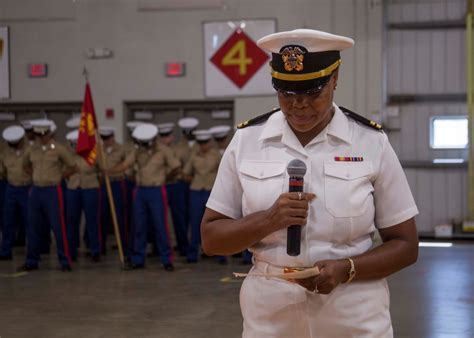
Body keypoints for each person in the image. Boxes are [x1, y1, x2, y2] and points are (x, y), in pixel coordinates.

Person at [201, 29, 419, 337]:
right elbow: (211, 239)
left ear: (334, 79)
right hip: (271, 316)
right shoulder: (248, 141)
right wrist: (268, 220)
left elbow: (406, 245)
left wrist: (348, 269)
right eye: (286, 94)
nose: (298, 106)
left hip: (353, 313)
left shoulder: (370, 143)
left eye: (312, 93)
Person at [107, 123, 180, 271]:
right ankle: (138, 259)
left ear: (153, 140)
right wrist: (108, 171)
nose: (144, 146)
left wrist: (165, 178)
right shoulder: (137, 151)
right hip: (140, 191)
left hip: (157, 191)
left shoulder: (163, 151)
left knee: (161, 226)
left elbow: (176, 167)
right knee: (139, 226)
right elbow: (125, 165)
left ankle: (167, 259)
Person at [19, 119, 77, 272]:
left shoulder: (59, 149)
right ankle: (32, 260)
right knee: (32, 226)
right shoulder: (32, 150)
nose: (40, 138)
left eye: (43, 134)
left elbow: (73, 166)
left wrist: (59, 176)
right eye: (37, 135)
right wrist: (35, 175)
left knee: (59, 227)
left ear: (49, 134)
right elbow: (25, 165)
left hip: (53, 190)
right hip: (36, 189)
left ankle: (65, 261)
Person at [183, 129, 226, 264]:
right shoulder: (194, 155)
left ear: (210, 142)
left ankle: (221, 254)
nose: (203, 145)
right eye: (200, 143)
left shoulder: (216, 155)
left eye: (205, 143)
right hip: (196, 190)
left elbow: (225, 172)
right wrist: (196, 180)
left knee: (216, 224)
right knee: (195, 223)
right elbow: (185, 173)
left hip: (212, 191)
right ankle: (192, 254)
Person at [65, 130, 101, 262]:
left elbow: (101, 169)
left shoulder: (94, 152)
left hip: (90, 187)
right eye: (72, 144)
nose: (75, 147)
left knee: (92, 221)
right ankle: (71, 251)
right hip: (73, 187)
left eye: (77, 144)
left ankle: (95, 250)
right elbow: (62, 171)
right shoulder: (67, 154)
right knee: (72, 221)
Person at [158, 122, 189, 257]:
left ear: (171, 136)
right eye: (162, 136)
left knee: (179, 219)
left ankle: (183, 247)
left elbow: (181, 167)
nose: (165, 139)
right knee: (158, 219)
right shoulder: (156, 150)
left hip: (176, 185)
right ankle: (158, 248)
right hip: (160, 185)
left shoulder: (179, 149)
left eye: (167, 136)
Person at [0, 126, 31, 260]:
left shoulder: (30, 152)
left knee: (29, 221)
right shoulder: (5, 154)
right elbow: (3, 172)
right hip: (11, 188)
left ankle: (32, 253)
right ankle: (6, 251)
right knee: (8, 221)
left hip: (26, 188)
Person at [97, 126, 129, 256]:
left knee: (120, 217)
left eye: (107, 138)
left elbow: (126, 165)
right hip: (104, 184)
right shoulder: (98, 150)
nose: (105, 141)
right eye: (103, 138)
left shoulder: (121, 149)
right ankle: (101, 246)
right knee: (102, 216)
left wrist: (109, 171)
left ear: (112, 137)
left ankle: (123, 247)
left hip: (117, 183)